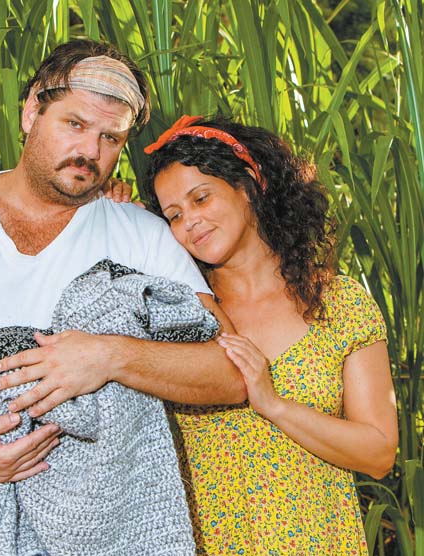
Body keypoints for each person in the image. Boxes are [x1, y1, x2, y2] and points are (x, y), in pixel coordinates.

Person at [0, 40, 246, 494]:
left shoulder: (142, 234)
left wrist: (109, 357)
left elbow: (229, 372)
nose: (90, 151)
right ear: (31, 113)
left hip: (91, 506)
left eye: (110, 138)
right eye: (75, 124)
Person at [137, 115, 398, 554]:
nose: (191, 222)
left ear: (249, 186)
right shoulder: (174, 313)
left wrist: (273, 404)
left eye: (201, 198)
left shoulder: (339, 303)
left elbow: (378, 453)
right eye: (174, 215)